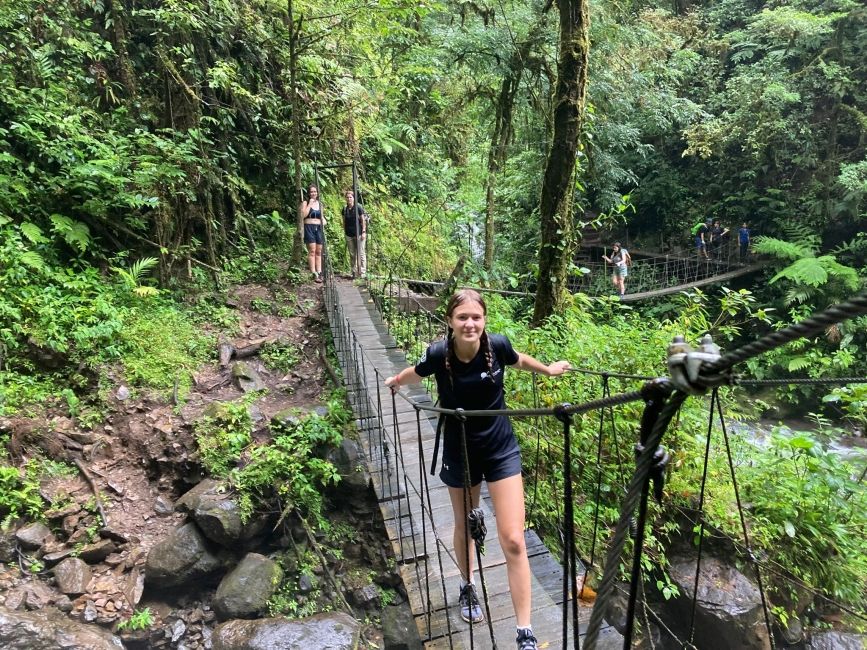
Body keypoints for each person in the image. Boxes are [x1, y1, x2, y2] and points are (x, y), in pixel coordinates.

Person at [384, 290, 570, 650]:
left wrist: (548, 369)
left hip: (500, 448)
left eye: (476, 317)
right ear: (450, 322)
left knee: (514, 539)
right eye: (462, 317)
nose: (470, 323)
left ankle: (524, 630)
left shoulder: (497, 346)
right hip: (460, 451)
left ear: (484, 320)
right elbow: (416, 372)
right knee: (465, 524)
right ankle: (468, 586)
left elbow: (518, 360)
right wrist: (396, 381)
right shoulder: (440, 354)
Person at [300, 185, 325, 282]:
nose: (313, 193)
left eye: (315, 192)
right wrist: (309, 204)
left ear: (317, 193)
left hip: (318, 228)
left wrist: (324, 221)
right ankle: (313, 273)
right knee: (312, 251)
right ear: (309, 193)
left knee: (319, 251)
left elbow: (322, 217)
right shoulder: (305, 202)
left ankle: (319, 272)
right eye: (311, 192)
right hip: (309, 228)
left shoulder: (320, 204)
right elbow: (303, 215)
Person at [342, 190, 368, 278]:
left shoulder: (358, 207)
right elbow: (344, 220)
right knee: (352, 254)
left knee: (361, 253)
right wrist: (345, 232)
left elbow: (363, 220)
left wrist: (364, 231)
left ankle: (362, 272)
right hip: (349, 234)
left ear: (353, 198)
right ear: (345, 198)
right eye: (347, 197)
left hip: (359, 233)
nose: (349, 199)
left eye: (350, 197)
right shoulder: (345, 209)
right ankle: (354, 271)